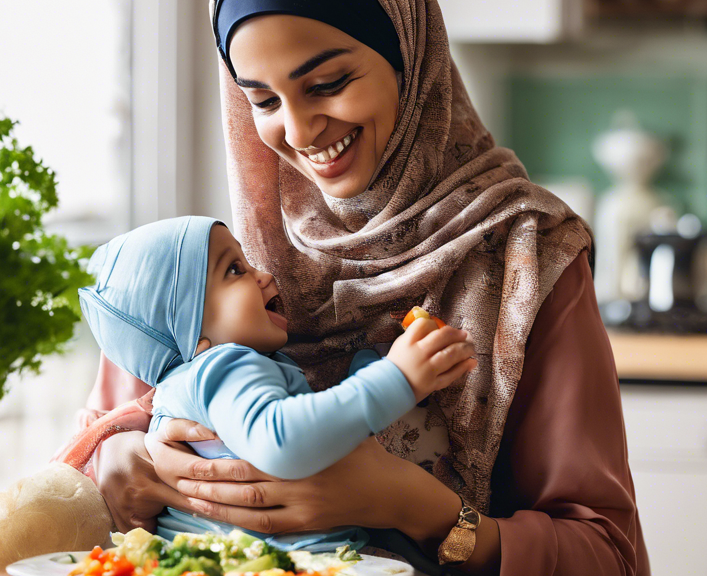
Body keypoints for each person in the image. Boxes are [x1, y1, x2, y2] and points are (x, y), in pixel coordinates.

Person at [75, 1, 650, 574]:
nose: (299, 132)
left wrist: (412, 506)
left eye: (327, 83)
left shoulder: (527, 256)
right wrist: (122, 466)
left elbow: (607, 557)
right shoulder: (195, 272)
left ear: (406, 55)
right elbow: (78, 483)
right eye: (264, 100)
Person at [78, 216, 475, 551]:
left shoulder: (203, 379)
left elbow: (324, 432)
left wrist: (369, 368)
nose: (264, 275)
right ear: (193, 338)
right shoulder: (222, 365)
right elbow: (283, 440)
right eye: (235, 270)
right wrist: (397, 379)